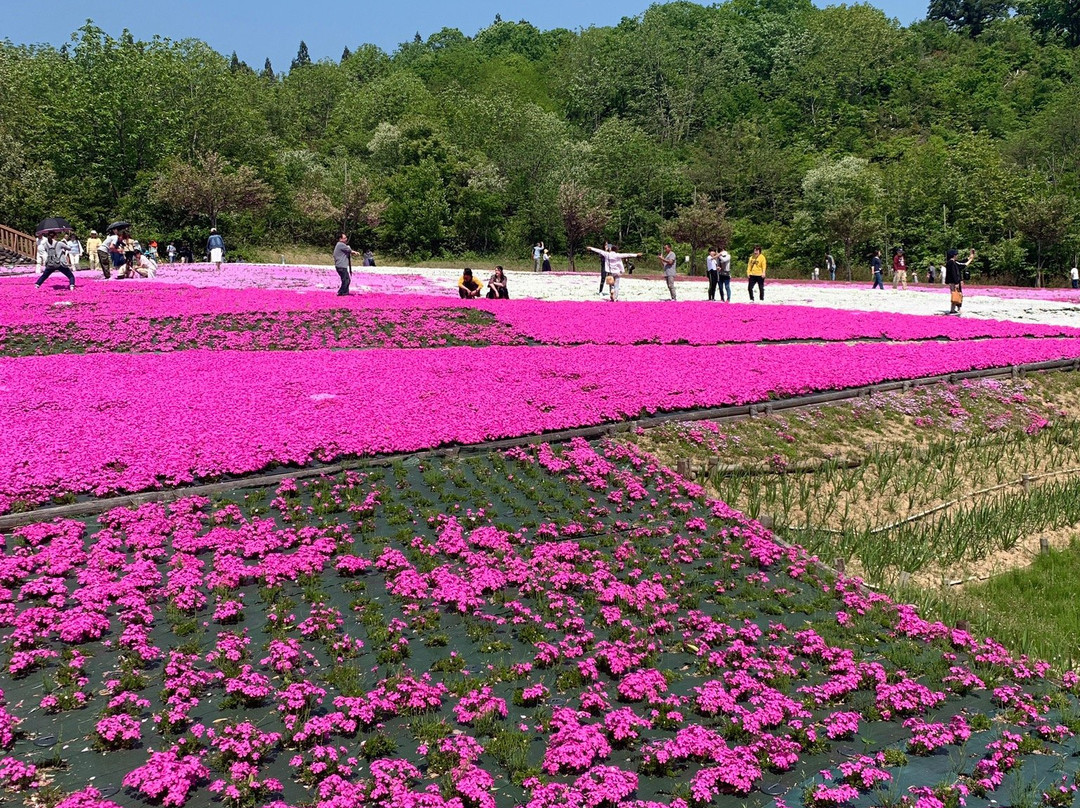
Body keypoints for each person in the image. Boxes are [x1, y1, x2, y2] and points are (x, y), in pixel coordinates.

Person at [944, 248, 974, 315]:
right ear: (954, 255)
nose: (957, 255)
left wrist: (969, 258)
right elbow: (955, 273)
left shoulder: (950, 262)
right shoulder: (952, 263)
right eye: (956, 254)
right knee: (957, 295)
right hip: (954, 282)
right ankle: (956, 309)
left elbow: (961, 263)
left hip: (952, 282)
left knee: (954, 295)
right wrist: (957, 282)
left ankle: (953, 309)